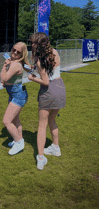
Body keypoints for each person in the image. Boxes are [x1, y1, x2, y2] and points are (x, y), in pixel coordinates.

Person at [28, 32, 66, 170]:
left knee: (42, 125)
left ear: (39, 44)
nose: (31, 45)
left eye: (33, 42)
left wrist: (32, 78)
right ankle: (56, 148)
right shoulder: (54, 52)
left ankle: (40, 158)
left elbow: (45, 81)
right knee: (52, 120)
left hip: (49, 91)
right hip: (60, 88)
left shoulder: (39, 60)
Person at [0, 42, 29, 155]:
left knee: (6, 121)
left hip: (18, 95)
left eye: (18, 52)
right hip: (15, 94)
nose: (15, 53)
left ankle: (19, 142)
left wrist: (4, 66)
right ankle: (18, 139)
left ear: (22, 54)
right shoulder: (14, 63)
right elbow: (6, 81)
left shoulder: (15, 65)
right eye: (14, 50)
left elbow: (4, 78)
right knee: (15, 120)